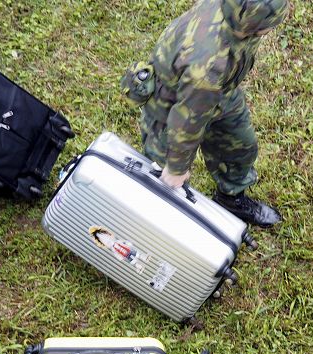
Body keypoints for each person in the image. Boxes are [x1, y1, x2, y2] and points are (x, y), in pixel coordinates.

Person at [122, 0, 287, 227]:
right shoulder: (210, 66)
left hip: (220, 92)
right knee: (163, 178)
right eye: (268, 26)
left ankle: (231, 199)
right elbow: (187, 118)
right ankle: (157, 223)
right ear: (251, 25)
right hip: (174, 106)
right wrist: (177, 168)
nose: (270, 30)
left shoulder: (233, 10)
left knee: (241, 147)